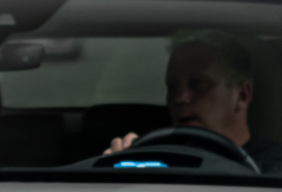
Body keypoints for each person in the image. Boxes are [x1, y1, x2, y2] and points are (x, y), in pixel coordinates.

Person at [105, 32, 265, 168]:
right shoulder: (153, 160)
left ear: (242, 96)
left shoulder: (280, 170)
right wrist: (117, 165)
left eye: (197, 84)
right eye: (172, 86)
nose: (179, 98)